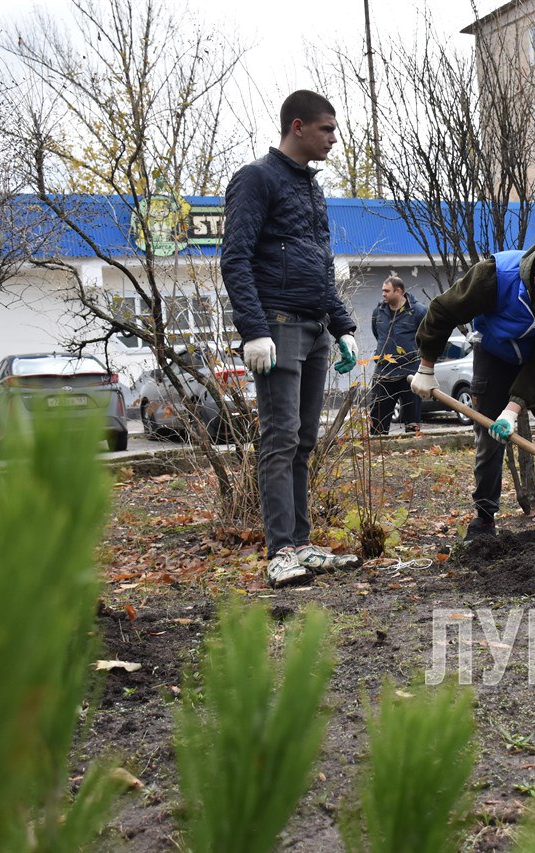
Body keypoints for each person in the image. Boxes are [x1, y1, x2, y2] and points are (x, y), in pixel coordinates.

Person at [221, 90, 360, 587]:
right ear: (297, 126)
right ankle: (280, 551)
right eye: (327, 129)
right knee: (279, 438)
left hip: (315, 327)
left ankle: (301, 545)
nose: (334, 138)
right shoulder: (256, 178)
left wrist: (342, 326)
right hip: (277, 326)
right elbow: (235, 258)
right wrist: (254, 331)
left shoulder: (311, 188)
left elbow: (319, 267)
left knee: (302, 440)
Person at [408, 238, 535, 539]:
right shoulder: (493, 278)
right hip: (495, 351)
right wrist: (426, 367)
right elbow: (442, 311)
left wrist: (512, 410)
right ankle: (484, 517)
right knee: (489, 431)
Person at [369, 275, 427, 435]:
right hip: (383, 373)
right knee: (377, 424)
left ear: (398, 291)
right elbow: (378, 335)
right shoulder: (378, 312)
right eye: (383, 290)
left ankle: (413, 449)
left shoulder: (418, 311)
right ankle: (377, 448)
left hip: (410, 373)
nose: (383, 294)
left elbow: (427, 337)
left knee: (412, 425)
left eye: (387, 291)